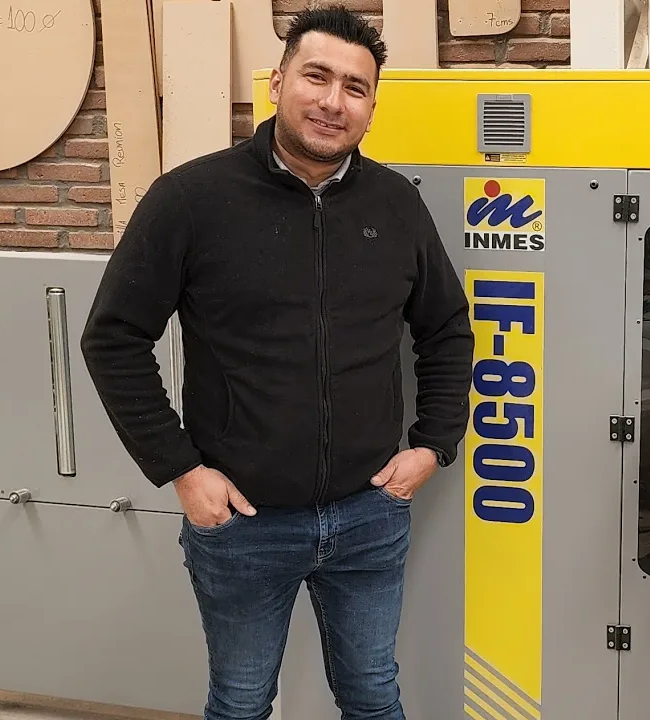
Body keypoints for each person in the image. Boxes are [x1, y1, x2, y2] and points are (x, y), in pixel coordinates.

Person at [80, 7, 473, 720]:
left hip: (370, 513)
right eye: (316, 76)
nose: (333, 101)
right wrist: (181, 469)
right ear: (277, 83)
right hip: (243, 520)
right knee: (240, 702)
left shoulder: (396, 204)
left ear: (372, 106)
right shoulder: (191, 199)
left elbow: (445, 328)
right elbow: (113, 338)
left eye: (355, 87)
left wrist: (434, 444)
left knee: (373, 694)